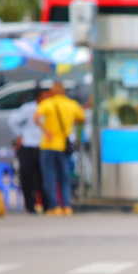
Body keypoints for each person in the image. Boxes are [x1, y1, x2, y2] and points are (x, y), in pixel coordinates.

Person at [35, 82, 85, 216]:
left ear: (52, 92)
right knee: (64, 177)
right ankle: (67, 206)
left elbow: (36, 117)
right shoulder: (72, 104)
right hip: (64, 145)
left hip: (49, 145)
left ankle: (54, 206)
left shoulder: (47, 103)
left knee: (49, 177)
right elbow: (81, 118)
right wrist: (68, 125)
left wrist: (46, 131)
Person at [8, 85, 47, 213]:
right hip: (29, 145)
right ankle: (30, 205)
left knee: (44, 177)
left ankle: (46, 204)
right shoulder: (28, 109)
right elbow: (13, 121)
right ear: (40, 96)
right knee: (27, 177)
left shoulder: (50, 107)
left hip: (44, 146)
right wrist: (20, 135)